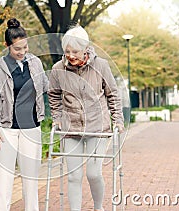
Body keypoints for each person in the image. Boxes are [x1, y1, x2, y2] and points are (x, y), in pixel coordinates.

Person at [48, 25, 125, 211]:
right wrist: (57, 117)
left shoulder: (101, 66)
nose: (71, 55)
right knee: (74, 176)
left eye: (75, 51)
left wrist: (118, 119)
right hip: (70, 127)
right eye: (67, 51)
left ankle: (98, 207)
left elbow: (113, 94)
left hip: (97, 127)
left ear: (86, 49)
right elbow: (53, 95)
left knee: (93, 173)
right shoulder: (58, 69)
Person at [0, 18, 48, 211]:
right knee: (4, 179)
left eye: (24, 47)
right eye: (17, 49)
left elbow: (46, 86)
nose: (21, 52)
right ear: (7, 46)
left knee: (31, 178)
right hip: (6, 131)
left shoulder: (35, 63)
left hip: (32, 128)